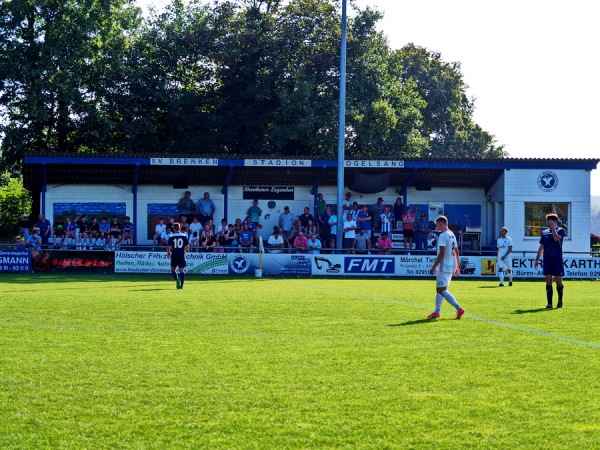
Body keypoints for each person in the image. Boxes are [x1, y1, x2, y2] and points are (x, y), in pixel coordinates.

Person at [427, 215, 465, 319]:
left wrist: (433, 267)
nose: (436, 228)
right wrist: (457, 266)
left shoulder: (443, 236)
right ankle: (436, 311)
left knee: (442, 290)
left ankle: (459, 308)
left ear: (440, 224)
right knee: (439, 289)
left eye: (437, 225)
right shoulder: (452, 234)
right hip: (450, 265)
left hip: (443, 266)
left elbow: (441, 253)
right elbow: (456, 252)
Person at [534, 213, 566, 309]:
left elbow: (556, 239)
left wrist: (553, 228)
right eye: (548, 222)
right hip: (547, 259)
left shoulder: (561, 230)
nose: (548, 223)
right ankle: (549, 304)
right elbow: (542, 247)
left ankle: (560, 300)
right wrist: (537, 259)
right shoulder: (544, 233)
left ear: (555, 221)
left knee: (559, 282)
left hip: (557, 259)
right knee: (548, 281)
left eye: (550, 221)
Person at [167, 222, 189, 289]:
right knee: (182, 270)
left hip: (174, 254)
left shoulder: (171, 236)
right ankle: (182, 285)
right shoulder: (184, 235)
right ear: (179, 228)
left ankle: (177, 280)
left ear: (173, 229)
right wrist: (184, 250)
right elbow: (187, 246)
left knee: (173, 270)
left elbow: (168, 246)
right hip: (181, 254)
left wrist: (168, 252)